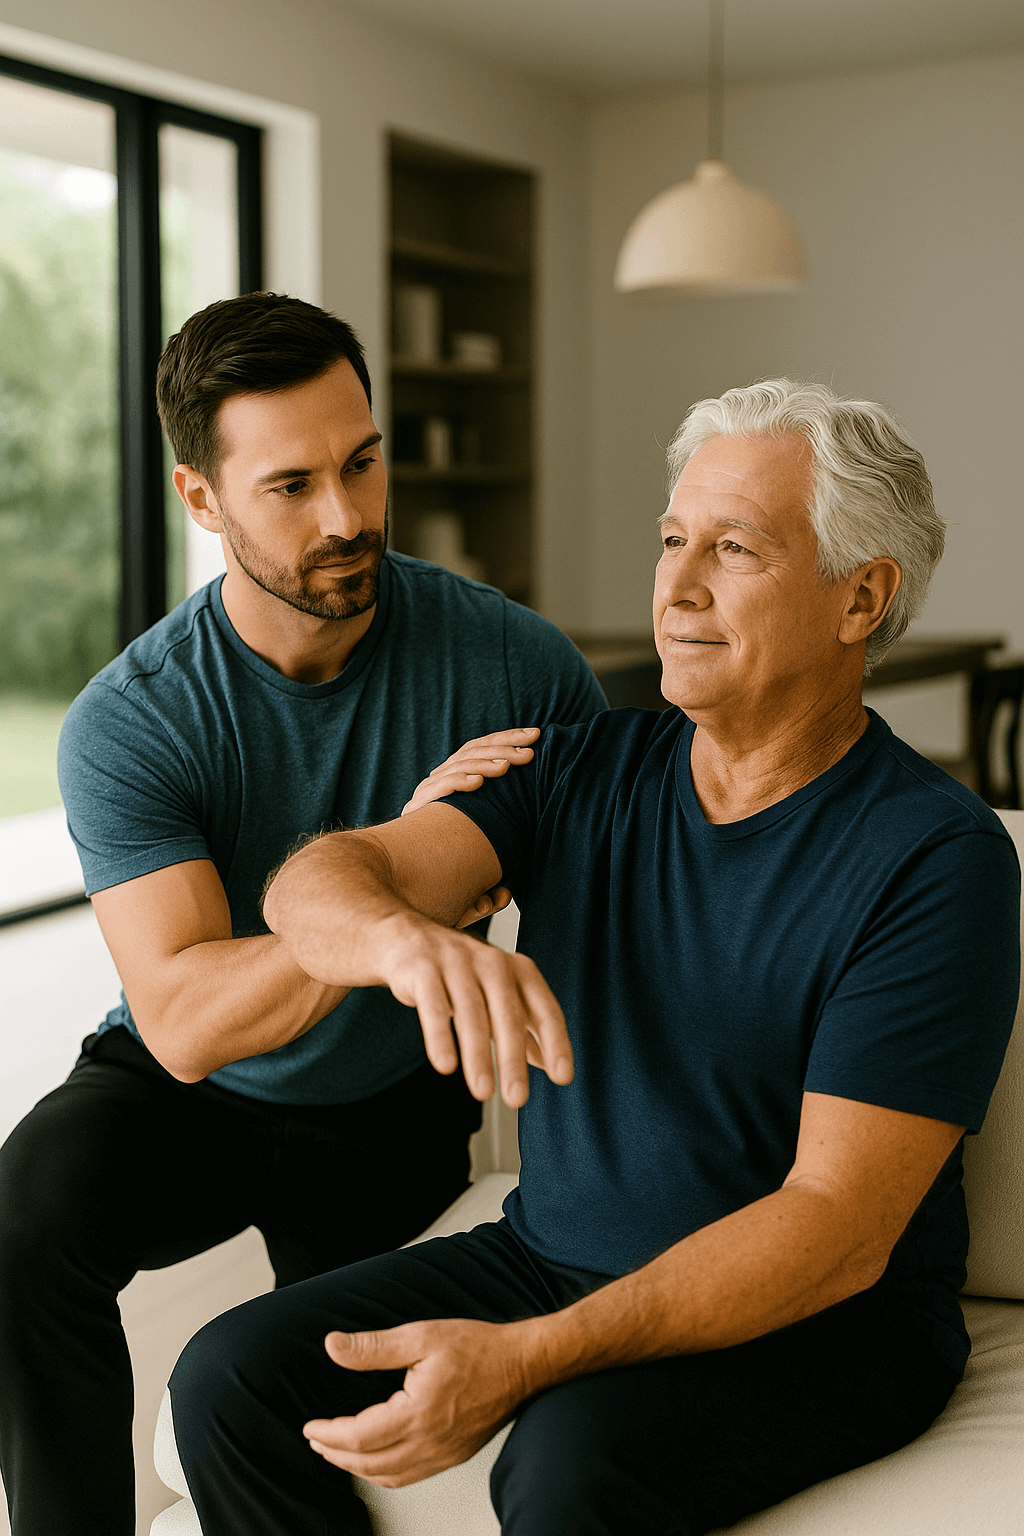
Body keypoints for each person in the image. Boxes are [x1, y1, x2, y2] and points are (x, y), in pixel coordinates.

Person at [167, 379, 1020, 1536]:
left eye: (734, 549)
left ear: (858, 597)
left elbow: (834, 1227)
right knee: (227, 1376)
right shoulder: (576, 771)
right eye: (672, 540)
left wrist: (527, 1360)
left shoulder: (936, 857)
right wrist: (399, 942)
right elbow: (318, 880)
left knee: (569, 1463)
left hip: (827, 1319)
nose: (675, 587)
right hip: (552, 1252)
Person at [0, 292, 605, 1536]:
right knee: (19, 1222)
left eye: (363, 462)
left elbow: (604, 936)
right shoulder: (137, 719)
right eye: (290, 485)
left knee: (302, 1391)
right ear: (201, 499)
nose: (347, 517)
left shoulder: (515, 667)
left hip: (391, 1100)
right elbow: (180, 1022)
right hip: (193, 1092)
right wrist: (396, 891)